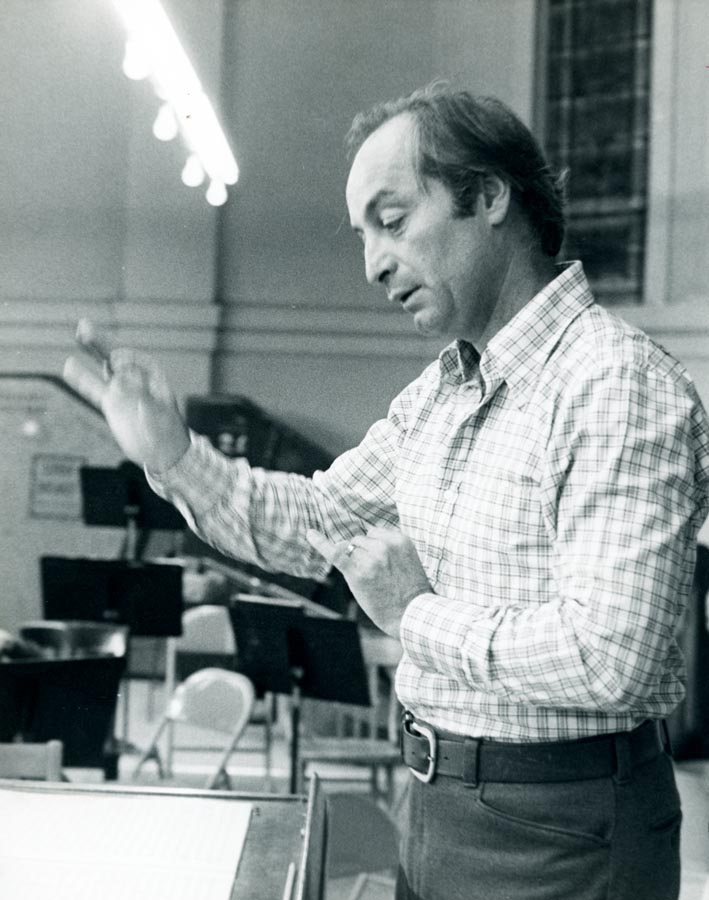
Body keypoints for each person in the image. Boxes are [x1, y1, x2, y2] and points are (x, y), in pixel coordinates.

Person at [64, 83, 709, 900]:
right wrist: (172, 452)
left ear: (485, 196)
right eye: (363, 234)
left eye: (392, 220)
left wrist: (414, 615)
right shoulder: (439, 397)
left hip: (564, 826)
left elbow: (608, 658)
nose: (371, 263)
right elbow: (312, 522)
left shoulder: (614, 383)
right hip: (436, 800)